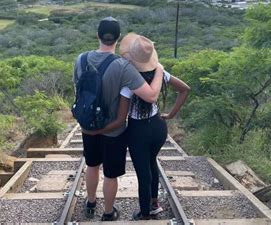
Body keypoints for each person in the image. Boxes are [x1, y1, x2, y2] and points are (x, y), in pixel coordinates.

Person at [73, 17, 164, 221]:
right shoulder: (123, 66)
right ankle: (108, 213)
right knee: (110, 174)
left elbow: (77, 91)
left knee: (92, 165)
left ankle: (90, 202)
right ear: (118, 38)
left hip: (88, 125)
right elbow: (150, 96)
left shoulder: (80, 59)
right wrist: (159, 71)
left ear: (97, 35)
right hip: (113, 130)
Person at [91, 33, 190, 220]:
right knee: (152, 162)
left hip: (138, 131)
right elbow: (185, 89)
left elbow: (121, 119)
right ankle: (154, 203)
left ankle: (145, 213)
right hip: (159, 127)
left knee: (143, 173)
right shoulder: (160, 73)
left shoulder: (128, 81)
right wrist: (171, 114)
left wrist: (98, 131)